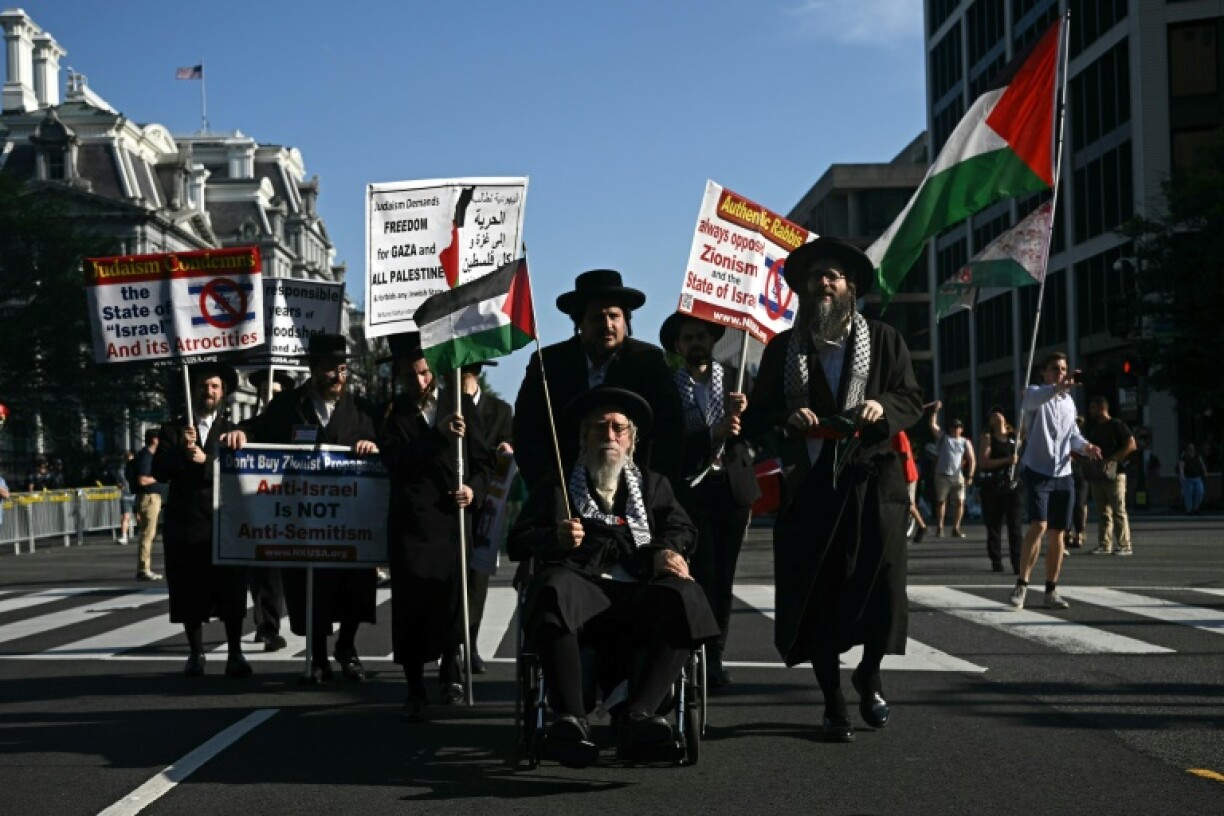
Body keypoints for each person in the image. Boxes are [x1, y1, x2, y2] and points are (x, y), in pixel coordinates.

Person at [741, 236, 924, 742]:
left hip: (871, 486)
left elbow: (911, 395)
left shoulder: (884, 340)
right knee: (815, 595)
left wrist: (882, 406)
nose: (823, 282)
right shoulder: (782, 350)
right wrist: (785, 417)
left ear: (850, 289)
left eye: (833, 276)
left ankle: (869, 674)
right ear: (801, 288)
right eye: (815, 276)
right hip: (811, 490)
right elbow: (759, 418)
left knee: (882, 589)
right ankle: (833, 703)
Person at [509, 387, 718, 768]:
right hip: (580, 594)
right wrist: (552, 538)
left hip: (638, 593)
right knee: (551, 586)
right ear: (582, 437)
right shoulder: (556, 486)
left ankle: (641, 717)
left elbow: (682, 528)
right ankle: (571, 721)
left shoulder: (654, 485)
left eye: (618, 428)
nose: (609, 436)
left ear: (631, 439)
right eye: (599, 428)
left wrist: (667, 550)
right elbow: (518, 541)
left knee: (685, 595)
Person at [220, 334, 380, 683]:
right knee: (311, 588)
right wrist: (241, 434)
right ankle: (319, 655)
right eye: (329, 370)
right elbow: (257, 428)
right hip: (303, 519)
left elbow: (388, 441)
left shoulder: (364, 409)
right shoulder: (288, 406)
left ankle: (348, 648)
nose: (338, 377)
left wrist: (373, 443)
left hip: (351, 522)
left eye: (342, 369)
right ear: (313, 370)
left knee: (356, 586)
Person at [379, 335, 493, 720]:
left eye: (425, 373)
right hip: (412, 527)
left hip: (452, 522)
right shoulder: (393, 412)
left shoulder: (457, 405)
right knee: (412, 607)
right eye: (411, 375)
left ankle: (450, 672)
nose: (420, 382)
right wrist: (436, 435)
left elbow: (483, 462)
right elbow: (394, 460)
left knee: (452, 601)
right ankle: (414, 685)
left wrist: (472, 490)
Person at [513, 269, 684, 489]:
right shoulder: (548, 363)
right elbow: (527, 432)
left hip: (635, 491)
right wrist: (549, 487)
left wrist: (654, 490)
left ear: (626, 321)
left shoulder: (650, 361)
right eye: (597, 317)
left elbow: (670, 433)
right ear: (580, 323)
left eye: (614, 316)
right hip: (564, 490)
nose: (607, 325)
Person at [659, 311, 758, 688]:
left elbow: (762, 427)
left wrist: (745, 417)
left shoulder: (738, 380)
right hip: (690, 490)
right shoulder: (669, 389)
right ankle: (691, 652)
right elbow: (668, 444)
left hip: (730, 488)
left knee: (724, 575)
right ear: (678, 345)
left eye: (702, 335)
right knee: (700, 573)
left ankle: (715, 655)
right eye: (689, 337)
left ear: (713, 340)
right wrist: (711, 433)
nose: (697, 342)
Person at [152, 362, 251, 677]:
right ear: (191, 390)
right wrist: (183, 450)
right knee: (187, 591)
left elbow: (244, 474)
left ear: (223, 392)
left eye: (214, 386)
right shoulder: (172, 430)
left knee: (232, 592)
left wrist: (207, 462)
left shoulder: (236, 431)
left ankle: (235, 652)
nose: (208, 392)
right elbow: (158, 472)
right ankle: (196, 653)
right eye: (202, 386)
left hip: (224, 524)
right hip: (186, 525)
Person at [1008, 353, 1102, 611]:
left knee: (1058, 533)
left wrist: (1087, 447)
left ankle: (1051, 589)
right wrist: (1057, 387)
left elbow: (1072, 435)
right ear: (1044, 373)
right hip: (1037, 470)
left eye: (1063, 369)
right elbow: (1029, 402)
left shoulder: (1069, 403)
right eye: (1055, 369)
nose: (1061, 373)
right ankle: (1022, 584)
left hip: (1063, 473)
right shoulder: (1036, 393)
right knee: (1039, 525)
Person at [460, 360, 513, 675]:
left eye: (467, 373)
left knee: (477, 577)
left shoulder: (500, 409)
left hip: (486, 500)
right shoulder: (445, 406)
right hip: (451, 499)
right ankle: (450, 644)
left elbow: (509, 441)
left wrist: (507, 448)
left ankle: (471, 644)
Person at [243, 369, 297, 652]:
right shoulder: (247, 427)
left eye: (275, 394)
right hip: (259, 511)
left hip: (295, 510)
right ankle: (267, 626)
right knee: (264, 572)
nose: (269, 400)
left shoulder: (294, 426)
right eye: (264, 394)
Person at [1083, 396, 1136, 556]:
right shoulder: (1094, 428)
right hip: (1098, 473)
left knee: (1118, 510)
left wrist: (1112, 459)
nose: (1090, 411)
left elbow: (1131, 444)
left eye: (1093, 408)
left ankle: (1124, 545)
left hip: (1115, 472)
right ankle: (1104, 544)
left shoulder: (1117, 425)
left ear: (1102, 408)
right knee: (1102, 511)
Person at [977, 405, 1023, 574]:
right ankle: (996, 560)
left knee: (1015, 527)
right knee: (994, 525)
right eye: (993, 414)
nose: (997, 416)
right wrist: (1007, 460)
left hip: (1013, 486)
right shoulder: (988, 437)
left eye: (1000, 413)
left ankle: (1018, 562)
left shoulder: (1014, 437)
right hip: (993, 486)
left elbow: (1027, 429)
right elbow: (984, 462)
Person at [928, 403, 975, 538]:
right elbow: (933, 426)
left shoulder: (965, 442)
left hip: (957, 475)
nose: (955, 429)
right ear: (950, 429)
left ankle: (956, 527)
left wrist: (970, 475)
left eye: (958, 427)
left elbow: (972, 459)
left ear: (961, 429)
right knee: (941, 501)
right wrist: (934, 412)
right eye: (953, 427)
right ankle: (940, 527)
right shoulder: (944, 437)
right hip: (942, 474)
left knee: (960, 501)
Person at [132, 430, 165, 581]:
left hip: (147, 497)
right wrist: (159, 477)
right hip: (149, 497)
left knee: (147, 534)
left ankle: (144, 567)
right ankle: (144, 568)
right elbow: (142, 480)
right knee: (148, 534)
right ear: (155, 440)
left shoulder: (144, 455)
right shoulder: (147, 456)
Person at [892, 429, 928, 544]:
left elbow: (905, 455)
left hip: (908, 474)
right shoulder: (895, 433)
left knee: (908, 502)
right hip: (902, 473)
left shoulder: (899, 433)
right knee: (903, 502)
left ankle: (922, 526)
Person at [1178, 443, 1208, 514]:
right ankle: (1189, 509)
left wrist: (1205, 472)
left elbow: (1202, 464)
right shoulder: (1184, 457)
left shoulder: (1198, 457)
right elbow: (1181, 466)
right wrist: (1182, 475)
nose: (1191, 450)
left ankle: (1196, 507)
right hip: (1188, 479)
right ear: (1187, 450)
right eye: (1190, 449)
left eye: (1192, 448)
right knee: (1188, 494)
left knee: (1200, 492)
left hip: (1197, 478)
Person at [116, 450, 135, 545]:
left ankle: (144, 534)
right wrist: (120, 486)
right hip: (126, 496)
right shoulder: (121, 471)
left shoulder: (137, 468)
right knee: (125, 517)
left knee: (140, 517)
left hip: (136, 495)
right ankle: (124, 536)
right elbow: (118, 483)